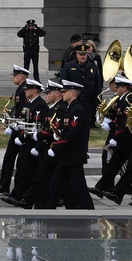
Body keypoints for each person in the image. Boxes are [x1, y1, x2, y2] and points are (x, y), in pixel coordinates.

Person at [37, 80, 94, 209]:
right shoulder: (70, 108)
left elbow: (72, 134)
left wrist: (56, 147)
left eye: (65, 91)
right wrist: (59, 134)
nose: (62, 94)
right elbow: (66, 130)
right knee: (56, 184)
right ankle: (46, 209)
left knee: (79, 186)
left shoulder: (77, 110)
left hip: (73, 155)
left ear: (72, 93)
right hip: (67, 155)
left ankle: (89, 210)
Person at [91, 76, 132, 204]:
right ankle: (102, 188)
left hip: (126, 140)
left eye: (118, 87)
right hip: (121, 139)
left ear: (124, 88)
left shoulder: (128, 99)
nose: (115, 89)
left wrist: (115, 133)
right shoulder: (121, 99)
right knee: (114, 165)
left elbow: (126, 122)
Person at [4, 79, 48, 206]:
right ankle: (18, 193)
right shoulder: (30, 104)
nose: (25, 91)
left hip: (32, 142)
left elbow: (37, 125)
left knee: (28, 169)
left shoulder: (39, 104)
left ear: (35, 90)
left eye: (28, 89)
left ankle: (21, 195)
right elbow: (25, 121)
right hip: (26, 140)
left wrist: (23, 136)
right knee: (22, 167)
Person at [0, 65, 30, 195]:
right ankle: (4, 184)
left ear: (22, 76)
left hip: (20, 128)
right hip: (17, 126)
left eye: (15, 75)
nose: (13, 77)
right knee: (10, 156)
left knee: (13, 157)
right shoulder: (20, 88)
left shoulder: (23, 89)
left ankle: (6, 185)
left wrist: (15, 124)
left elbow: (24, 109)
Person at [61, 44, 102, 130]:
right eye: (81, 54)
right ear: (76, 55)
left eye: (84, 54)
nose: (83, 56)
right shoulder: (69, 67)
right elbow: (63, 84)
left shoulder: (92, 67)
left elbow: (97, 86)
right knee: (72, 125)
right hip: (74, 102)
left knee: (85, 126)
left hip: (88, 102)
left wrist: (97, 102)